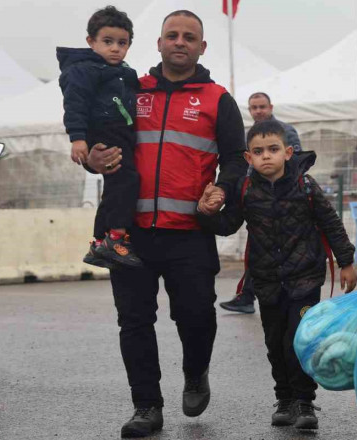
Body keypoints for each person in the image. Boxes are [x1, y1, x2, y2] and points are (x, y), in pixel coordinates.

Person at [85, 10, 249, 438]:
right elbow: (99, 140)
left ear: (201, 47)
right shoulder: (129, 90)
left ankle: (196, 372)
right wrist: (92, 157)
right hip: (129, 232)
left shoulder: (218, 99)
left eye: (189, 37)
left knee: (196, 317)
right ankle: (146, 406)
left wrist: (224, 188)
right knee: (134, 321)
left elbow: (236, 158)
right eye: (171, 35)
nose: (180, 42)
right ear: (157, 44)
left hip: (190, 232)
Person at [199, 119, 357, 430]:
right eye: (258, 151)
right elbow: (227, 224)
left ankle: (304, 402)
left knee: (300, 340)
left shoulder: (306, 186)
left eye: (273, 149)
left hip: (305, 278)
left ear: (288, 152)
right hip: (267, 281)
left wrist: (346, 262)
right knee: (274, 342)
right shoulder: (245, 190)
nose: (266, 156)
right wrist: (206, 212)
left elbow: (332, 224)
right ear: (248, 158)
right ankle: (284, 398)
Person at [58, 6, 141, 268]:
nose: (115, 48)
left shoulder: (121, 72)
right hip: (105, 132)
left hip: (120, 132)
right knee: (127, 180)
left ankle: (99, 242)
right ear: (90, 41)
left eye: (122, 43)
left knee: (116, 186)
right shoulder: (84, 70)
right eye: (107, 42)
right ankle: (115, 238)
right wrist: (78, 138)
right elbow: (75, 104)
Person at [218, 92, 304, 314]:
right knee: (259, 249)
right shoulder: (248, 136)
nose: (258, 111)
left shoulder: (286, 131)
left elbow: (297, 164)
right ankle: (247, 296)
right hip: (257, 203)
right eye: (254, 107)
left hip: (284, 203)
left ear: (271, 106)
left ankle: (283, 300)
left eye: (262, 107)